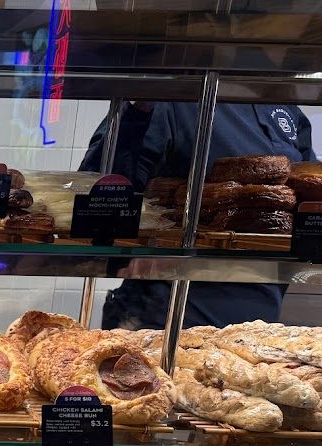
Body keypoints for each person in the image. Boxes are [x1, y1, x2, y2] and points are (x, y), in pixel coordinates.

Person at [79, 102, 315, 330]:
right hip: (166, 320)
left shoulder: (283, 104)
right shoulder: (174, 97)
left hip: (257, 327)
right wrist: (139, 107)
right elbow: (98, 195)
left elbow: (309, 200)